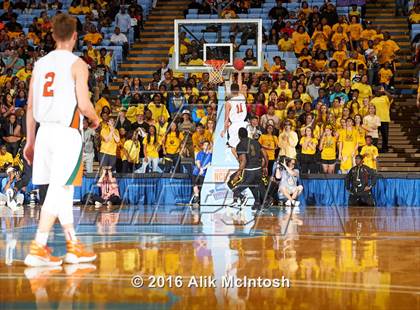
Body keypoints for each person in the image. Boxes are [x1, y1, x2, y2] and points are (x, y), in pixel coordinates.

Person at [23, 14, 100, 267]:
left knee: (64, 189)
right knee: (58, 189)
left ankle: (72, 245)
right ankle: (38, 246)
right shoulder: (78, 64)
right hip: (67, 132)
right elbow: (85, 104)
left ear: (53, 35)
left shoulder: (40, 64)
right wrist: (95, 118)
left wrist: (30, 141)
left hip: (44, 131)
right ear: (75, 36)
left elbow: (30, 107)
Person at [228, 128, 268, 211]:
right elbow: (265, 154)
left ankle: (242, 197)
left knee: (232, 183)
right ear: (247, 134)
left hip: (249, 171)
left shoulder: (240, 145)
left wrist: (238, 174)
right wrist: (265, 167)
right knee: (254, 185)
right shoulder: (256, 142)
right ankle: (258, 202)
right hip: (258, 170)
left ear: (239, 136)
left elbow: (244, 161)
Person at [221, 82, 247, 157]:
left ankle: (239, 161)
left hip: (235, 125)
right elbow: (240, 83)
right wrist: (239, 72)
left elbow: (226, 119)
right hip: (244, 124)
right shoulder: (242, 96)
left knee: (233, 146)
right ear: (239, 90)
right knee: (245, 145)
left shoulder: (228, 103)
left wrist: (224, 130)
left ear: (231, 91)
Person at [191, 140, 212, 206]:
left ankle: (199, 200)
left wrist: (203, 169)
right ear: (202, 146)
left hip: (204, 174)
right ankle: (196, 197)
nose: (206, 146)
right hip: (196, 172)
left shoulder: (210, 155)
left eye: (207, 145)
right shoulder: (200, 153)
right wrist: (200, 168)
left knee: (201, 187)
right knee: (195, 185)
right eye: (205, 145)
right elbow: (198, 162)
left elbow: (209, 163)